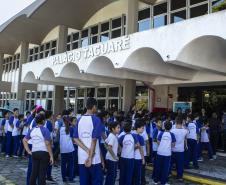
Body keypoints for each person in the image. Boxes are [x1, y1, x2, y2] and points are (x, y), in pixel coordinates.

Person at [73, 97, 103, 185]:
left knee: (84, 182)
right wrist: (90, 156)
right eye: (96, 107)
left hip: (82, 157)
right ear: (94, 106)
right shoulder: (96, 120)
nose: (96, 109)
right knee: (96, 181)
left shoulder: (79, 119)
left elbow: (75, 138)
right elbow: (94, 140)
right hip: (94, 158)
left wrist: (86, 150)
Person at [23, 113, 54, 185]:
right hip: (44, 153)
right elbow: (47, 144)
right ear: (43, 121)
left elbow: (24, 140)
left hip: (34, 153)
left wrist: (28, 151)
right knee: (42, 174)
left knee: (34, 172)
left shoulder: (32, 130)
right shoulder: (45, 130)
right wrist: (51, 156)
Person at [154, 121, 176, 185]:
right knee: (165, 169)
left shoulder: (161, 133)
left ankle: (156, 180)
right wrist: (168, 145)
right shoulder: (172, 134)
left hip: (160, 152)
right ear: (171, 127)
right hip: (167, 154)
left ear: (164, 126)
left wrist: (162, 145)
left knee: (158, 167)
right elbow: (173, 144)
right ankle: (163, 182)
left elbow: (158, 142)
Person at [171, 117, 188, 181]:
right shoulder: (185, 131)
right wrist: (183, 125)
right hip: (181, 150)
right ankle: (180, 177)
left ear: (176, 123)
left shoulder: (172, 131)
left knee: (170, 163)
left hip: (173, 150)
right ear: (182, 123)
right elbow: (187, 132)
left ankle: (168, 174)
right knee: (180, 165)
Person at [60, 115, 75, 183]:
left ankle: (63, 178)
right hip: (70, 149)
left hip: (63, 149)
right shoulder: (71, 128)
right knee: (71, 164)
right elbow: (72, 139)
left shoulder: (60, 129)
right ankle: (70, 178)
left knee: (63, 165)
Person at [132, 119, 145, 185]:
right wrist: (143, 158)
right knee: (137, 175)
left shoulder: (131, 135)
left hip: (131, 157)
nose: (143, 130)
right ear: (138, 128)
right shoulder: (141, 137)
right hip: (138, 158)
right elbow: (141, 149)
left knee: (132, 174)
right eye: (142, 128)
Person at [44, 110, 54, 182]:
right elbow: (50, 135)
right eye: (52, 115)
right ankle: (49, 175)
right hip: (48, 143)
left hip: (43, 143)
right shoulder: (49, 123)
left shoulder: (44, 122)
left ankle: (44, 174)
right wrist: (51, 143)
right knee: (50, 159)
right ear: (50, 116)